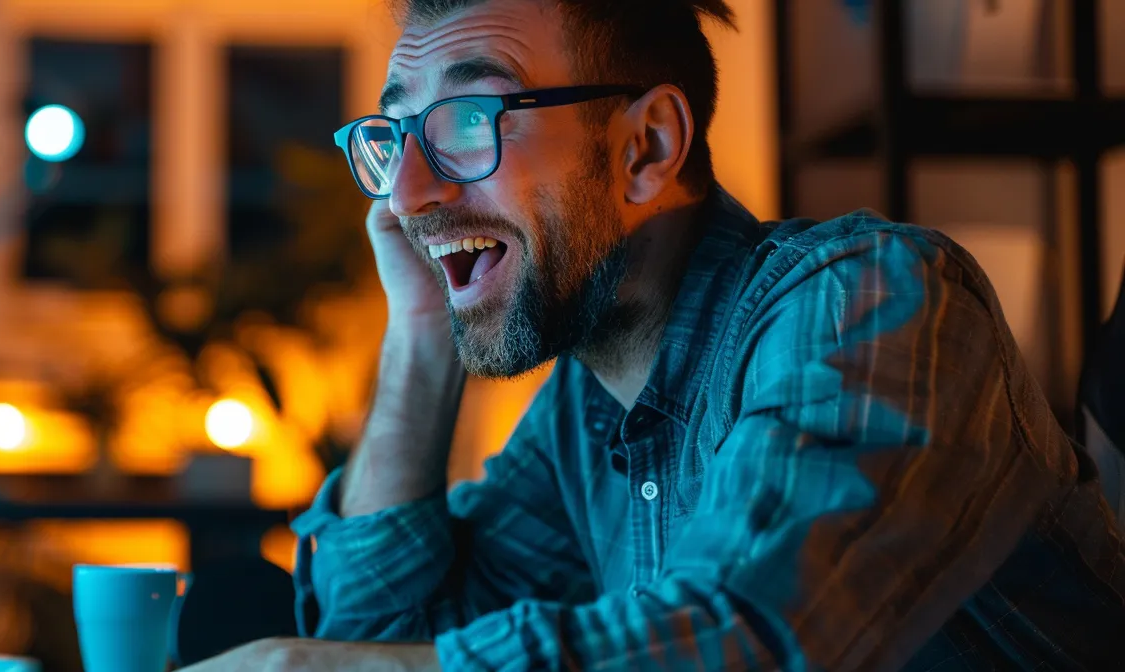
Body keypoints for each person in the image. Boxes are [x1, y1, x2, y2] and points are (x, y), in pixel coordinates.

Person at [180, 0, 1125, 669]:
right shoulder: (585, 416)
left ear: (648, 148)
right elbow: (382, 638)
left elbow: (749, 635)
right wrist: (423, 333)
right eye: (398, 137)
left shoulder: (872, 301)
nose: (409, 194)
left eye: (469, 120)